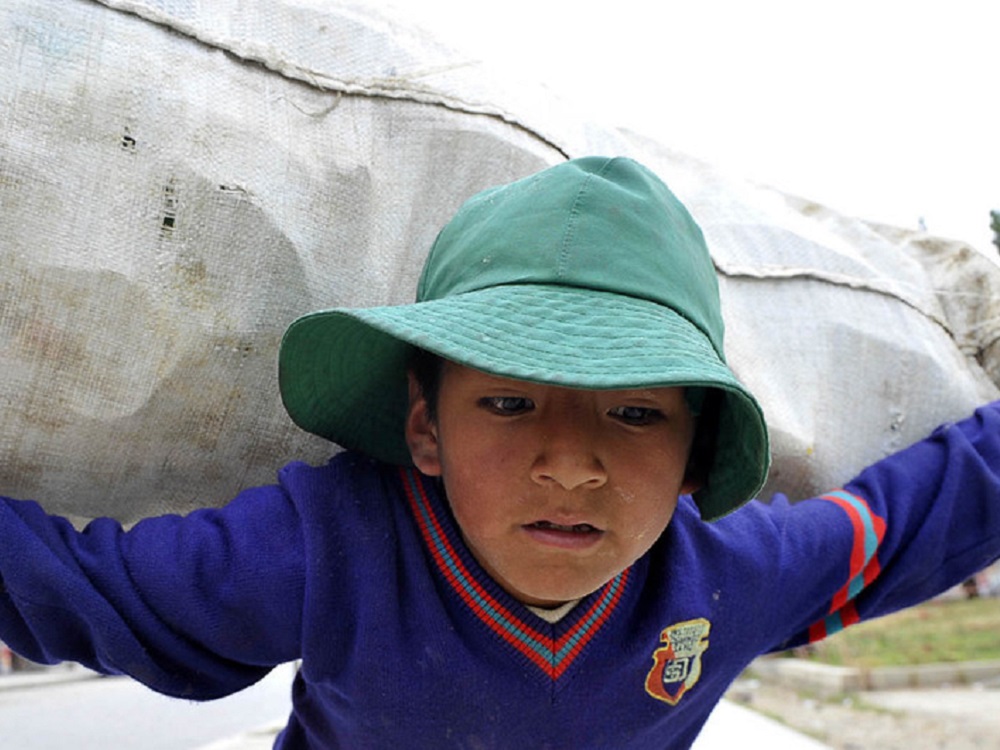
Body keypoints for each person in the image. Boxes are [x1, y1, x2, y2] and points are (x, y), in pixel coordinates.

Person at [0, 156, 998, 749]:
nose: (569, 464)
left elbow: (910, 515)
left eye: (637, 415)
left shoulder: (722, 579)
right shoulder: (338, 545)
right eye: (511, 401)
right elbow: (94, 591)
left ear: (700, 453)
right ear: (424, 428)